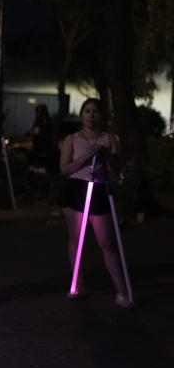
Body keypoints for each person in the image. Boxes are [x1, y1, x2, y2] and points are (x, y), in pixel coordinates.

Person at [56, 98, 131, 307]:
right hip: (75, 190)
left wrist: (105, 154)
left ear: (101, 115)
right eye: (87, 111)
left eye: (95, 111)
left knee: (106, 242)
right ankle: (77, 285)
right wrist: (87, 157)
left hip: (99, 190)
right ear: (82, 115)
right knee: (76, 239)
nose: (91, 115)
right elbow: (64, 169)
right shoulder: (72, 139)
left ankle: (122, 291)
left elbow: (116, 169)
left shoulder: (110, 139)